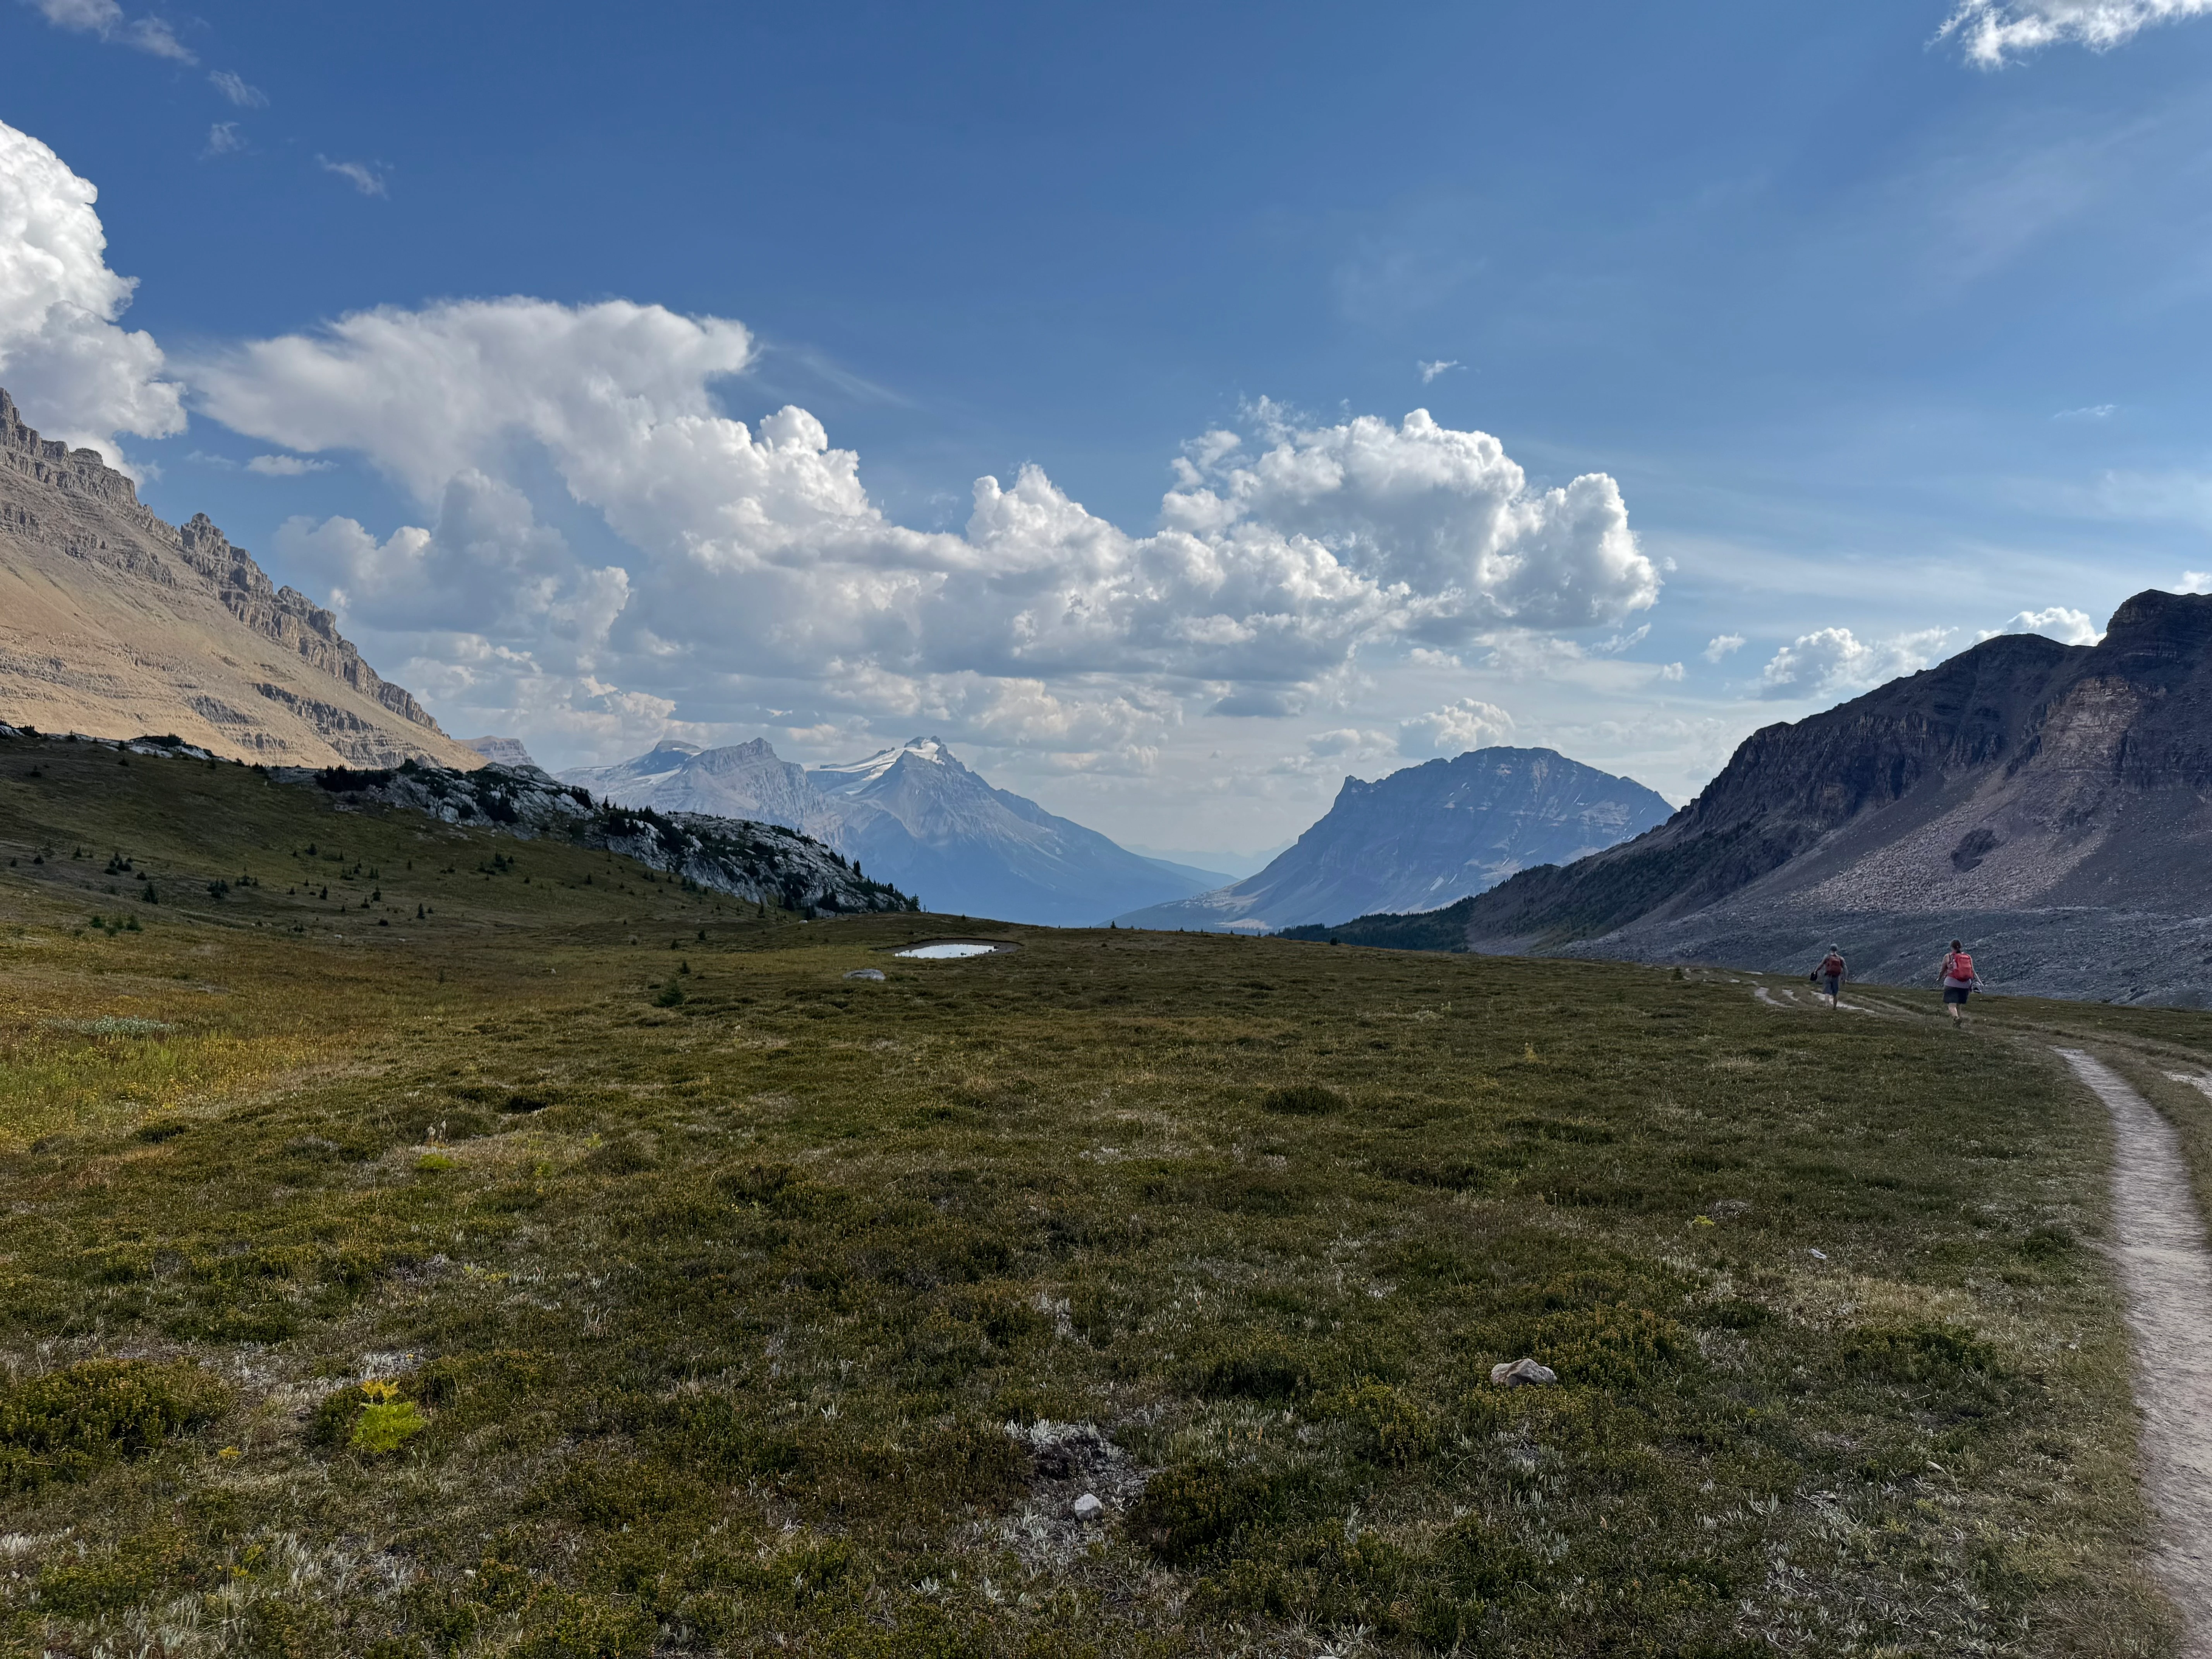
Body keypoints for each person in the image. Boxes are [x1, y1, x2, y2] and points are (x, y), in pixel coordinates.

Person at [1939, 940, 1980, 1024]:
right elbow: (1972, 970)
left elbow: (1943, 969)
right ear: (1961, 947)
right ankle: (1959, 1023)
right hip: (1965, 984)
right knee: (1959, 1005)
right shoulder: (1968, 956)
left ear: (1952, 947)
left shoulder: (1948, 956)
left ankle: (1956, 1019)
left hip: (1952, 983)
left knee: (1952, 1005)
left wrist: (1939, 978)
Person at [1809, 944, 1847, 1008]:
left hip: (1828, 976)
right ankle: (1835, 1007)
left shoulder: (1827, 957)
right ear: (1837, 950)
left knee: (1827, 992)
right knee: (1835, 993)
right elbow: (1845, 969)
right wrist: (1845, 979)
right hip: (1837, 977)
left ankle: (1827, 1006)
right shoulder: (1841, 958)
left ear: (1830, 949)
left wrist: (1816, 971)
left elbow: (1821, 964)